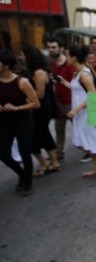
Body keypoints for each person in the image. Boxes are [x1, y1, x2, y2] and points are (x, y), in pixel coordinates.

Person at [64, 45, 96, 177]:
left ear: (74, 58)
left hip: (87, 112)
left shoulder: (84, 74)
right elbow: (77, 89)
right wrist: (63, 82)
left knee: (90, 140)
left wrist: (76, 109)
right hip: (80, 114)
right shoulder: (77, 73)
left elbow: (93, 95)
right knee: (80, 142)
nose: (65, 58)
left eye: (67, 55)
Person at [0, 49, 41, 196]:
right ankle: (23, 174)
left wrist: (16, 108)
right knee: (3, 153)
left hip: (23, 120)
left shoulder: (22, 82)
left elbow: (36, 103)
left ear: (5, 65)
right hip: (4, 121)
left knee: (24, 152)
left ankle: (27, 184)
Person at [21, 44, 61, 176]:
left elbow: (40, 94)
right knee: (43, 133)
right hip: (40, 108)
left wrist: (25, 99)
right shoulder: (35, 71)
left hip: (41, 108)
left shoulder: (38, 72)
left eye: (22, 55)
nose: (21, 57)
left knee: (37, 135)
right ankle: (52, 162)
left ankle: (48, 163)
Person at [46, 36, 73, 160]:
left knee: (81, 127)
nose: (51, 50)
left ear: (61, 48)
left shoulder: (69, 64)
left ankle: (92, 150)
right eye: (49, 47)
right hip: (58, 102)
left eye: (54, 47)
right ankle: (58, 153)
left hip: (70, 102)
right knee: (59, 129)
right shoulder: (52, 64)